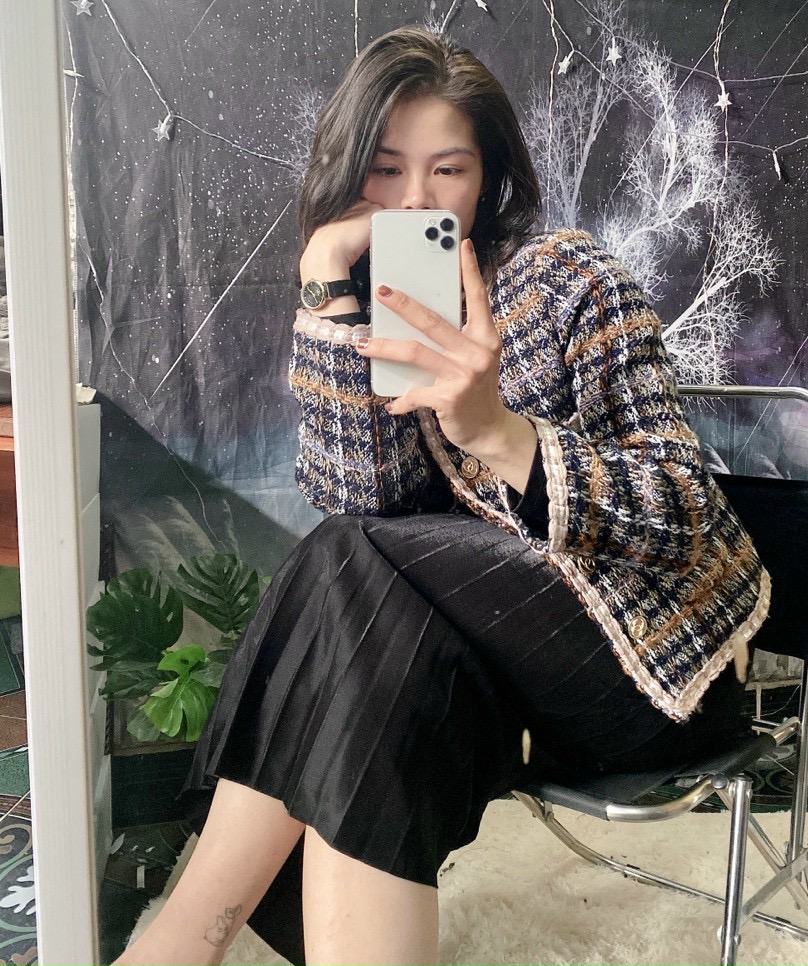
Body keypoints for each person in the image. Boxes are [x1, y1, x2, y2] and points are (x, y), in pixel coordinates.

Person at [116, 25, 769, 966]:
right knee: (374, 651)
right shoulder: (365, 303)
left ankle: (184, 939)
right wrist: (326, 288)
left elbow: (683, 514)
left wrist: (499, 431)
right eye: (385, 171)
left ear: (488, 179)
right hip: (480, 676)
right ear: (346, 174)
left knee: (347, 560)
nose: (415, 202)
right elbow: (364, 495)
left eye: (447, 171)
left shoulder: (572, 280)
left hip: (649, 670)